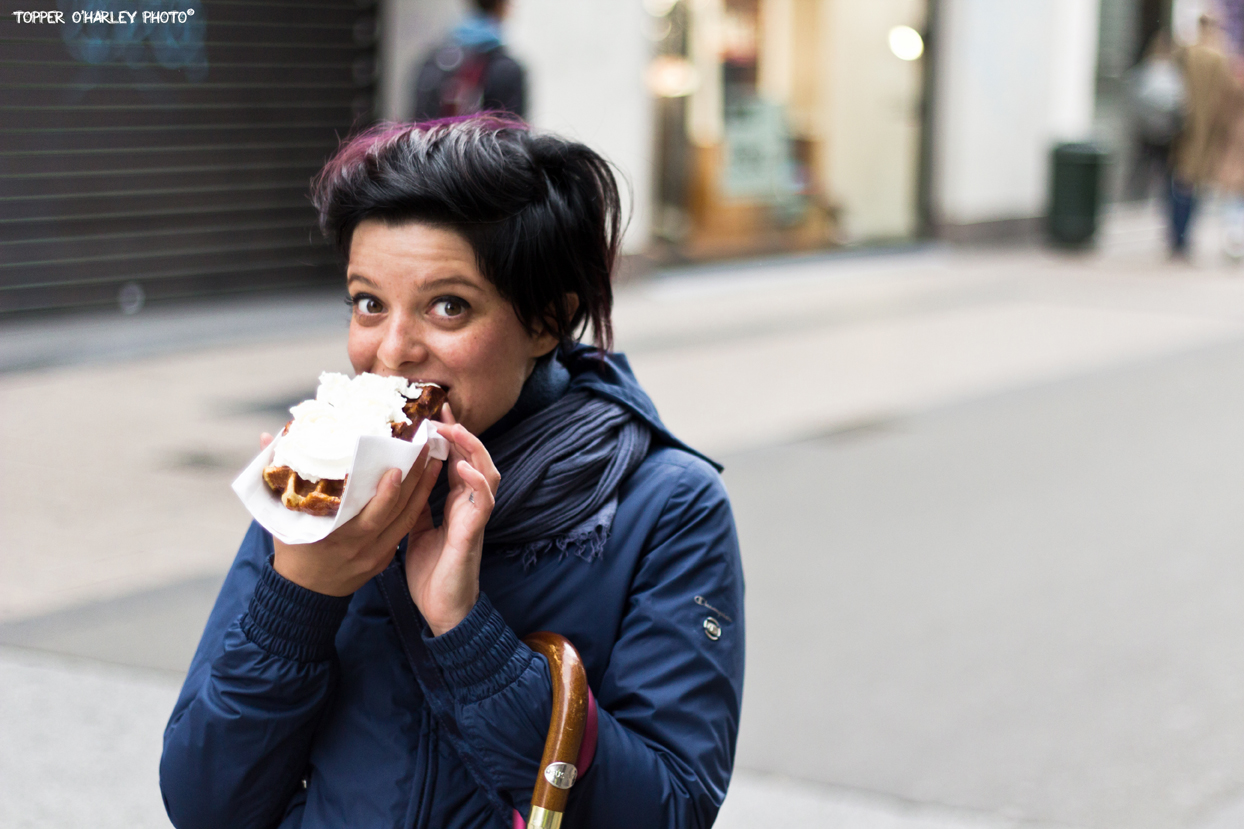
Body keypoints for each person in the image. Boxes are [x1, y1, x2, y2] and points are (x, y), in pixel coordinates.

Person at [159, 115, 745, 829]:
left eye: (447, 306)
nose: (392, 350)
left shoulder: (665, 505)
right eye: (368, 302)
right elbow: (205, 804)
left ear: (546, 322)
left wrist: (467, 634)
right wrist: (299, 597)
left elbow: (671, 809)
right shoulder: (327, 476)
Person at [1169, 15, 1237, 258]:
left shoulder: (1185, 52)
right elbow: (1230, 97)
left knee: (1179, 181)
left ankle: (1176, 235)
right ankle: (1183, 237)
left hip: (1182, 127)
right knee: (1195, 184)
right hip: (1206, 131)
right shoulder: (1220, 57)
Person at [413, 0, 526, 121]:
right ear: (501, 5)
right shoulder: (507, 69)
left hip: (439, 138)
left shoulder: (434, 61)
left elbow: (418, 125)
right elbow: (512, 130)